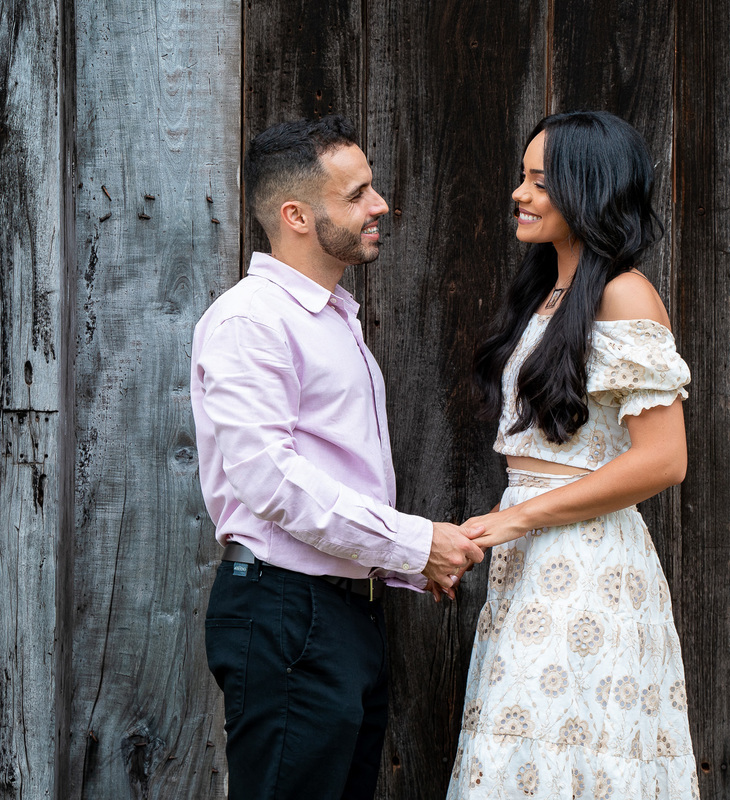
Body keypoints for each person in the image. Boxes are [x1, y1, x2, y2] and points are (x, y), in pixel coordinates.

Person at [190, 115, 484, 800]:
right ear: (296, 214)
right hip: (288, 617)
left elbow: (331, 474)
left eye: (371, 189)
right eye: (356, 194)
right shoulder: (251, 320)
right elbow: (273, 483)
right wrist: (414, 543)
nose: (379, 205)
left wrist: (403, 564)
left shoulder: (331, 316)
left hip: (343, 615)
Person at [446, 111, 700, 799]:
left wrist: (521, 520)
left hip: (588, 562)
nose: (519, 194)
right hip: (529, 557)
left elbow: (663, 460)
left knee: (577, 748)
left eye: (538, 181)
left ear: (586, 189)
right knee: (522, 749)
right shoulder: (543, 292)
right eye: (521, 178)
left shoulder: (624, 293)